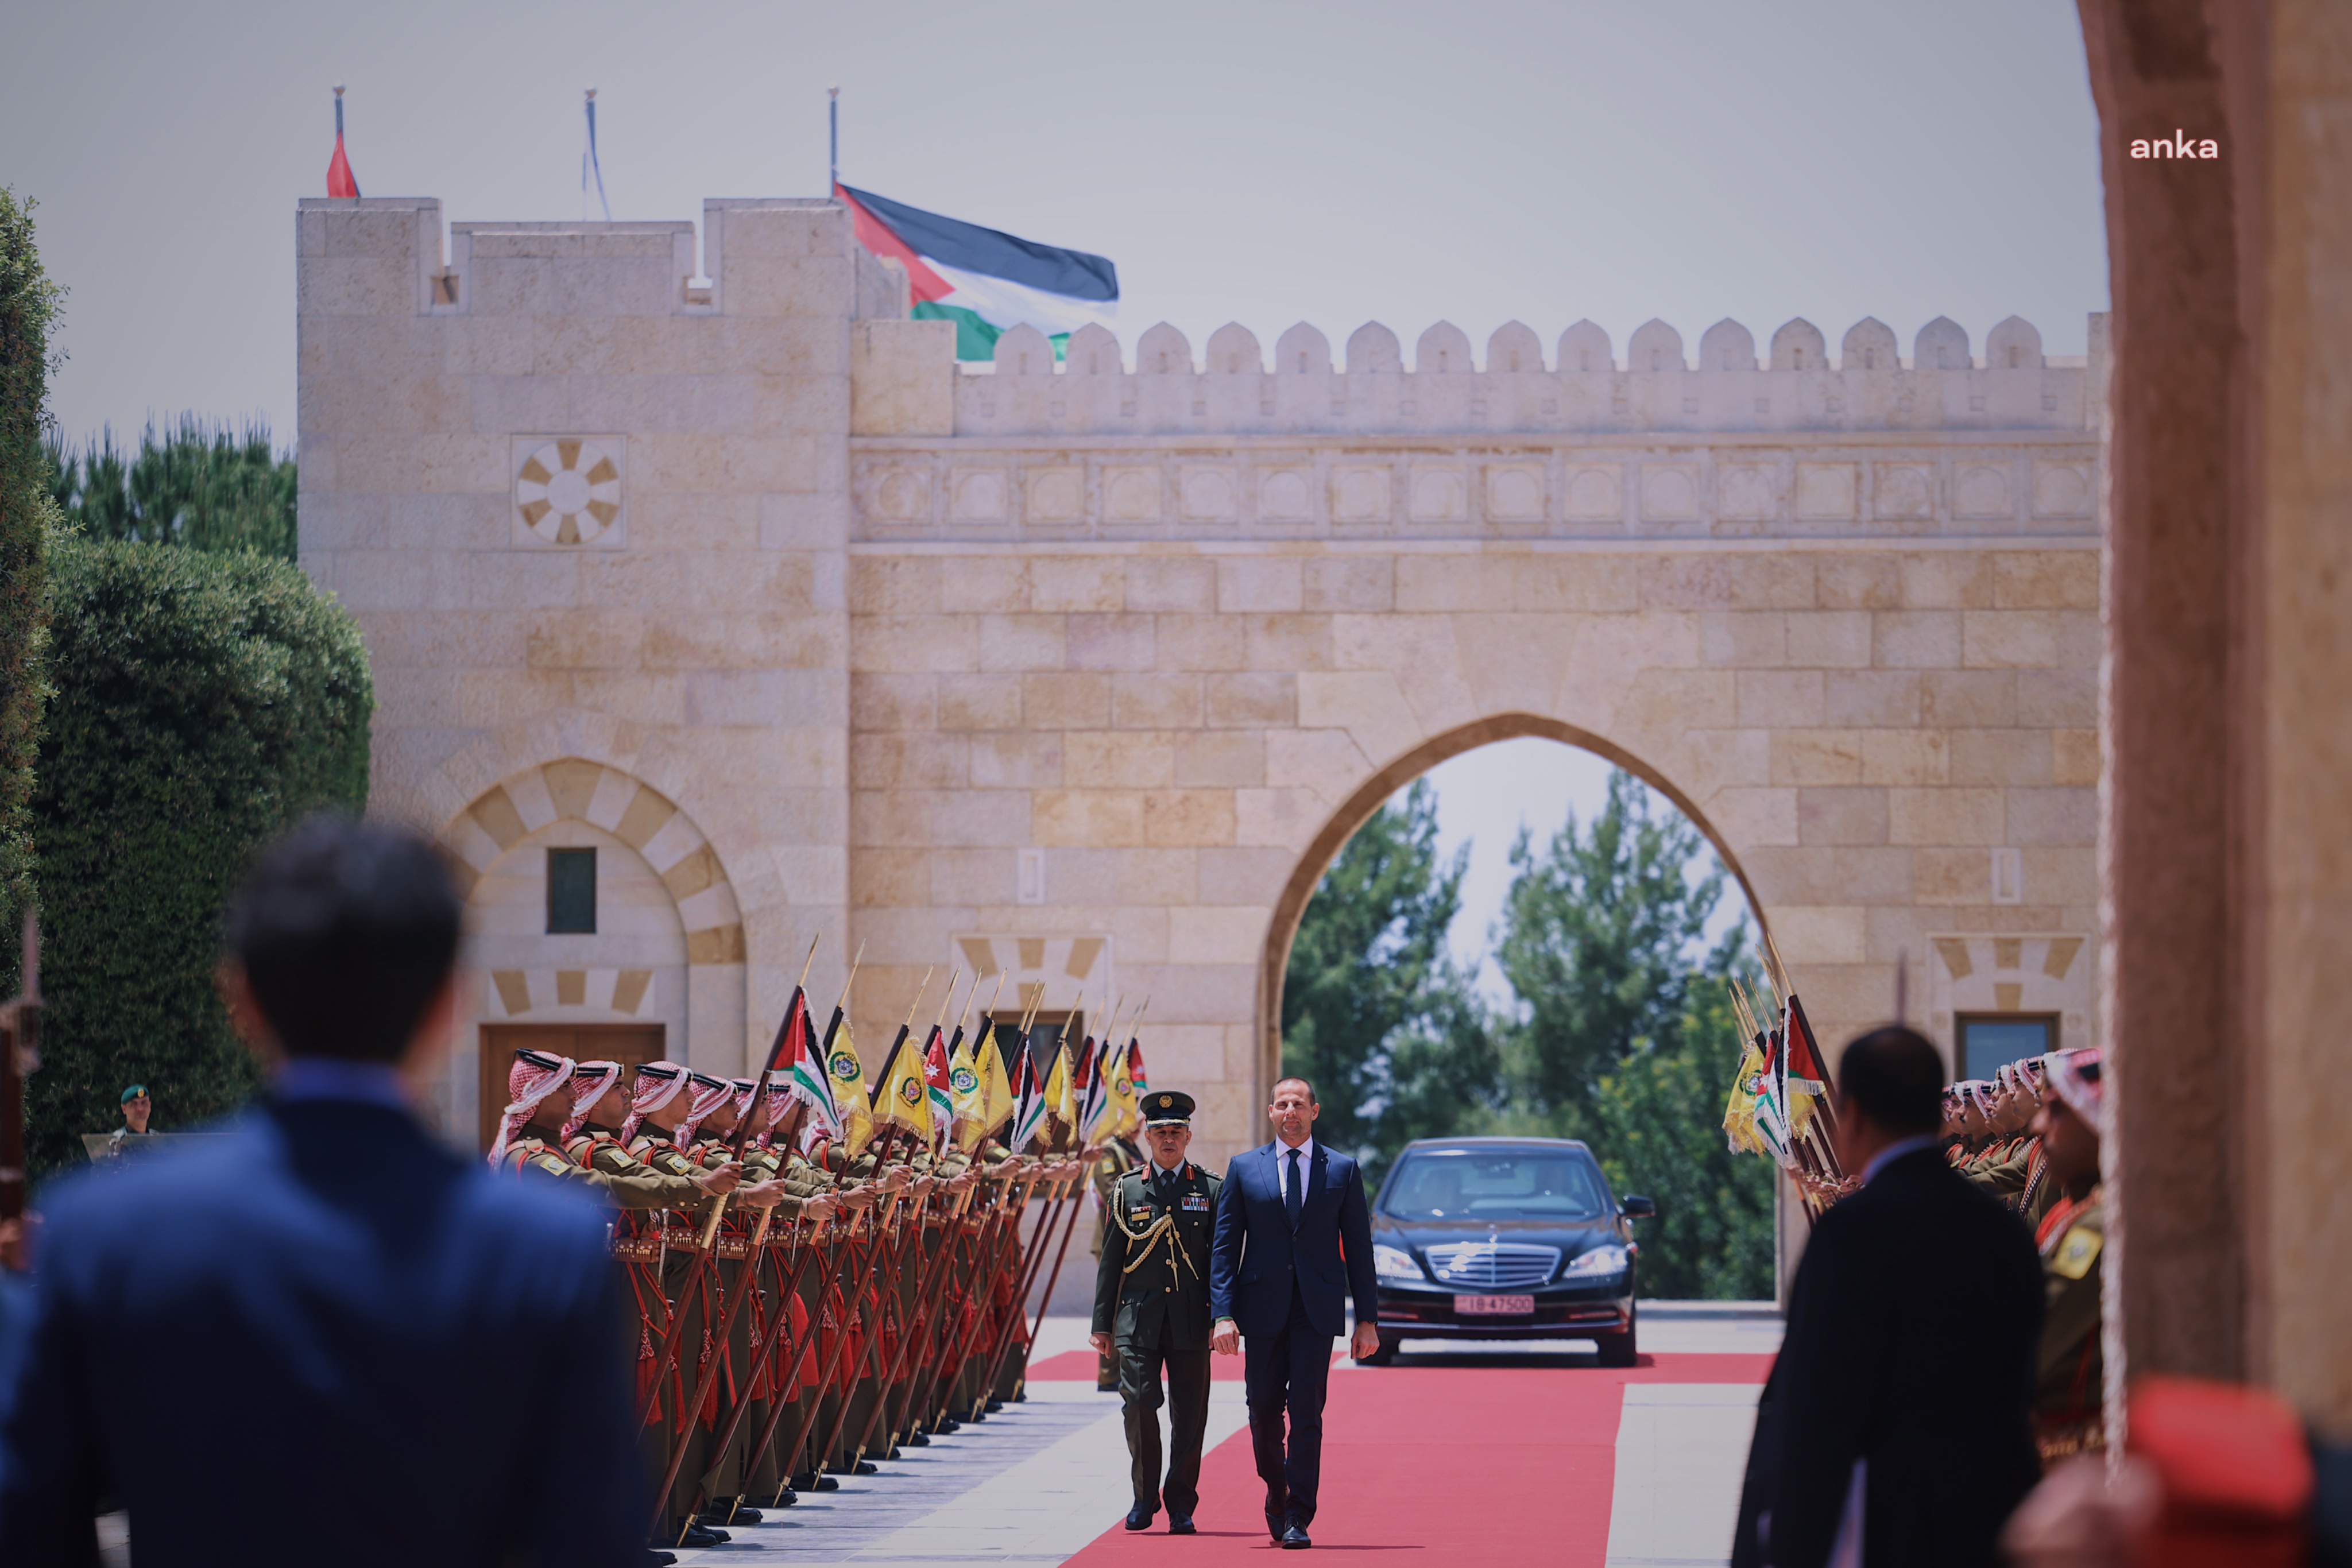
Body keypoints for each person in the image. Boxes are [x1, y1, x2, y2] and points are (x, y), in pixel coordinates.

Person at [0, 814, 648, 1567]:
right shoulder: (549, 1246)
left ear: (244, 997)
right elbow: (592, 1541)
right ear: (449, 1003)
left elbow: (34, 1532)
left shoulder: (106, 1228)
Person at [1739, 1026, 2044, 1568]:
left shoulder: (1850, 1235)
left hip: (1884, 1521)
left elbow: (1812, 1411)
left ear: (1852, 1114)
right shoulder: (2003, 1230)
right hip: (1991, 1520)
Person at [1208, 1075, 1380, 1551]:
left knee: (1307, 1412)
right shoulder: (1244, 1169)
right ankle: (1277, 1487)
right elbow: (1224, 1249)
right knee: (1263, 1409)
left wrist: (1368, 1318)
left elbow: (1360, 1249)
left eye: (1299, 1103)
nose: (1291, 1111)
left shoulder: (1342, 1169)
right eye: (1282, 1103)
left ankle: (1299, 1514)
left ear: (1315, 1111)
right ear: (1271, 1112)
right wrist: (1222, 1314)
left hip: (1316, 1310)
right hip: (1260, 1308)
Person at [1092, 1090, 1220, 1536]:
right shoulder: (1127, 1189)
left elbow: (1219, 1264)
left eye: (1176, 1132)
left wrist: (1224, 1316)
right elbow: (1111, 1261)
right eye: (1161, 1132)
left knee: (1190, 1415)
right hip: (1138, 1321)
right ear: (1147, 1136)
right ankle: (1144, 1497)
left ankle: (1181, 1503)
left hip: (1191, 1319)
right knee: (1140, 1405)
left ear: (1189, 1136)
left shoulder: (1210, 1189)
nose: (1169, 1139)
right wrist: (1101, 1325)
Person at [2028, 1048, 2106, 1464]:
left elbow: (2033, 1336)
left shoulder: (2099, 1224)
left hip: (2076, 1451)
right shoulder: (2077, 1208)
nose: (2038, 1125)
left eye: (2057, 1111)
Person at [106, 1084, 154, 1153]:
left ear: (150, 1106)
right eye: (134, 1104)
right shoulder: (114, 1141)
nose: (140, 1108)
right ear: (124, 1109)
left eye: (144, 1103)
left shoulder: (158, 1141)